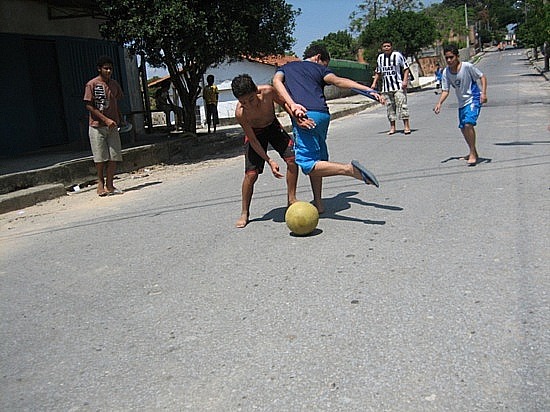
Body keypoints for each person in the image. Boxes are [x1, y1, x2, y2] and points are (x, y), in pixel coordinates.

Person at [273, 44, 383, 214]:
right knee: (318, 161)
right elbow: (339, 81)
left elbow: (276, 82)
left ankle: (349, 170)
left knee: (307, 163)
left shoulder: (286, 67)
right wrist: (368, 89)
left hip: (305, 115)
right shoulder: (319, 69)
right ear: (318, 57)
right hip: (323, 115)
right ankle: (319, 203)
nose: (324, 67)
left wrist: (293, 104)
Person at [231, 74, 314, 228]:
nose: (248, 105)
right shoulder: (240, 113)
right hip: (256, 135)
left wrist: (297, 119)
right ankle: (244, 212)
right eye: (243, 102)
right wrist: (269, 160)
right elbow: (253, 140)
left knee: (292, 159)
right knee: (251, 174)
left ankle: (291, 199)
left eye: (250, 99)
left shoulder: (268, 92)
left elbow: (285, 103)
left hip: (272, 127)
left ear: (256, 91)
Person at [434, 44, 488, 166]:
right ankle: (473, 151)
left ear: (457, 56)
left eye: (451, 57)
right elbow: (445, 90)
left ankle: (473, 153)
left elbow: (482, 77)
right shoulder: (446, 72)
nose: (449, 60)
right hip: (462, 103)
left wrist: (483, 94)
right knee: (463, 128)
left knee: (469, 124)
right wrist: (439, 103)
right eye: (447, 58)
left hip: (473, 98)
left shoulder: (467, 67)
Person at [84, 55, 124, 196]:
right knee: (100, 158)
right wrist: (105, 119)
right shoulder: (92, 84)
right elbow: (89, 105)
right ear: (99, 69)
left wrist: (120, 117)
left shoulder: (114, 84)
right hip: (97, 126)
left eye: (110, 69)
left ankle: (110, 185)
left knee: (114, 156)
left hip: (113, 126)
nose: (108, 71)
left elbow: (116, 102)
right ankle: (100, 184)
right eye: (105, 68)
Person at [371, 41, 411, 135]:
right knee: (390, 108)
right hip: (386, 88)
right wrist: (374, 83)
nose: (386, 48)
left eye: (388, 46)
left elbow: (406, 68)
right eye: (384, 46)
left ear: (391, 47)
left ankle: (406, 126)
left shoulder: (397, 55)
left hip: (398, 86)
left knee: (402, 105)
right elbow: (378, 72)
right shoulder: (380, 58)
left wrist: (405, 81)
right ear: (382, 48)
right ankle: (392, 127)